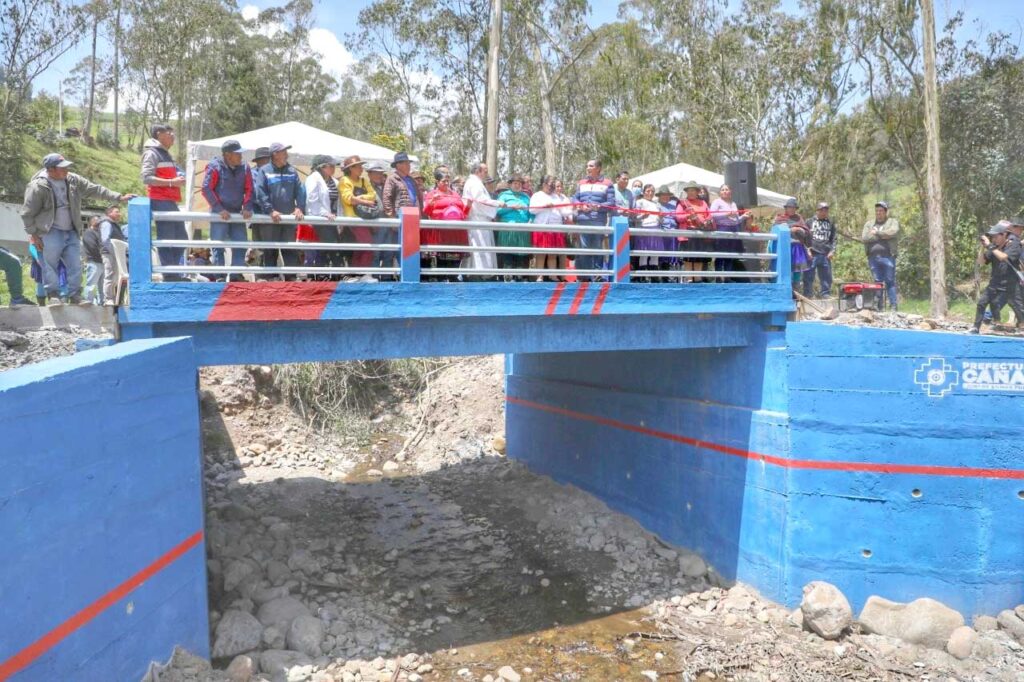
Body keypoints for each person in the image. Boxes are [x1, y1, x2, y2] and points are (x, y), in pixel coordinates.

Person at [21, 153, 132, 304]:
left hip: (71, 230)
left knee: (75, 264)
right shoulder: (38, 186)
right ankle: (53, 295)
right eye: (62, 168)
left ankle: (75, 296)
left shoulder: (72, 179)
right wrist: (34, 234)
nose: (66, 170)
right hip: (49, 231)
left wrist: (119, 197)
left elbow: (95, 189)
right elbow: (27, 213)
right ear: (51, 169)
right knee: (49, 264)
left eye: (67, 167)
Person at [201, 139, 253, 281]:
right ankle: (220, 276)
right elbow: (206, 189)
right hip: (220, 213)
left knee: (241, 243)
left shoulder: (245, 168)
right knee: (218, 244)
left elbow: (250, 189)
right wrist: (219, 209)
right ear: (228, 155)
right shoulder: (214, 166)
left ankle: (236, 274)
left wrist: (247, 207)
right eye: (238, 154)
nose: (241, 157)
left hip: (237, 212)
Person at [141, 123, 186, 280]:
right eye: (169, 132)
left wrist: (180, 175)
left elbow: (173, 173)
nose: (173, 136)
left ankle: (173, 272)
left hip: (170, 200)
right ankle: (170, 274)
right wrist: (172, 182)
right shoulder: (152, 153)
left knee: (181, 238)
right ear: (159, 134)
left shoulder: (166, 154)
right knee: (167, 238)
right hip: (160, 200)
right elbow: (146, 177)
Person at [256, 142, 306, 279]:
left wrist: (299, 207)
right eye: (284, 152)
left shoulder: (292, 171)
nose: (287, 154)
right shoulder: (264, 171)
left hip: (289, 218)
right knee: (270, 250)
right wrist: (270, 210)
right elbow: (260, 192)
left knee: (290, 249)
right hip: (271, 218)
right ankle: (271, 279)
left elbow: (300, 191)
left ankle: (291, 279)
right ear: (275, 154)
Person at [971, 223, 1021, 334]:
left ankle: (1020, 327)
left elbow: (1003, 257)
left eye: (995, 236)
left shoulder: (1013, 245)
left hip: (1010, 283)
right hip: (995, 282)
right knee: (982, 303)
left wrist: (990, 246)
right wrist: (982, 247)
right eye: (992, 237)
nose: (993, 239)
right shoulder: (993, 247)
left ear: (1004, 235)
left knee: (1017, 307)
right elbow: (982, 262)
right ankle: (976, 327)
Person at [338, 155, 380, 281]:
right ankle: (362, 273)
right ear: (351, 168)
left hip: (365, 219)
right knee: (368, 245)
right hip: (353, 219)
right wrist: (366, 201)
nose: (361, 168)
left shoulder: (363, 180)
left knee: (360, 248)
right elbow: (348, 199)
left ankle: (356, 274)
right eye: (359, 166)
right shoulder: (344, 180)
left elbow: (373, 195)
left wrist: (360, 199)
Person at [422, 168, 469, 279]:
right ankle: (442, 280)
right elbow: (426, 212)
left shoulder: (455, 194)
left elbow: (463, 213)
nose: (446, 183)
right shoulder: (431, 194)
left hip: (456, 232)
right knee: (442, 260)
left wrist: (469, 206)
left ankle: (453, 279)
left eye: (448, 181)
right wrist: (432, 201)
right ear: (437, 182)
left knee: (455, 259)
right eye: (444, 181)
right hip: (441, 232)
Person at [572, 159, 615, 278]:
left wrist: (599, 207)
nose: (588, 168)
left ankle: (597, 275)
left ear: (598, 168)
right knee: (584, 248)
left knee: (597, 247)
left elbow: (611, 203)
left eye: (590, 166)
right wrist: (580, 205)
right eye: (587, 166)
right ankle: (584, 276)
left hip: (598, 221)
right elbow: (574, 198)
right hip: (582, 220)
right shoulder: (581, 182)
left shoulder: (608, 183)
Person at [462, 162, 505, 275]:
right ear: (478, 171)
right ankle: (479, 273)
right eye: (485, 171)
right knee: (479, 246)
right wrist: (497, 203)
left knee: (482, 246)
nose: (486, 173)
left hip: (481, 219)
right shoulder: (474, 183)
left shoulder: (476, 182)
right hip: (477, 219)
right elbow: (480, 200)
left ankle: (481, 272)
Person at [304, 155, 343, 274]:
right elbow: (312, 200)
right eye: (330, 166)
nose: (333, 168)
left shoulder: (334, 181)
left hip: (333, 220)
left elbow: (338, 203)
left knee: (329, 248)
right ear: (322, 167)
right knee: (329, 247)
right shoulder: (313, 179)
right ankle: (326, 275)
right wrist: (325, 213)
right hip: (320, 219)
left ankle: (331, 275)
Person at [862, 200, 899, 310]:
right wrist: (883, 235)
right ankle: (879, 306)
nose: (878, 213)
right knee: (877, 282)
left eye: (881, 211)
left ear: (885, 212)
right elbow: (865, 238)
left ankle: (893, 306)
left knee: (890, 281)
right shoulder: (869, 224)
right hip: (873, 258)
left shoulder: (892, 222)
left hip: (888, 256)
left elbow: (893, 232)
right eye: (877, 211)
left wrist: (877, 233)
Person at [529, 175, 567, 280]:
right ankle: (539, 276)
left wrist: (575, 209)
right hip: (542, 227)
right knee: (541, 253)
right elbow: (532, 210)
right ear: (544, 184)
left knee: (553, 253)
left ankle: (553, 275)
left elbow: (564, 211)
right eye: (550, 185)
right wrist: (544, 206)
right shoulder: (537, 195)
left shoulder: (556, 197)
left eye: (553, 185)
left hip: (555, 228)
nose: (551, 187)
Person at [708, 184, 750, 277]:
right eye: (722, 190)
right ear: (720, 192)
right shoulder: (717, 202)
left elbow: (736, 220)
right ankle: (718, 277)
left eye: (727, 189)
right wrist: (726, 214)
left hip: (733, 229)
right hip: (722, 228)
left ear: (730, 191)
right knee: (720, 254)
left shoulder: (733, 203)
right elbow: (712, 214)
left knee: (731, 254)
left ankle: (727, 277)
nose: (725, 191)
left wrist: (743, 217)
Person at [496, 175, 532, 277]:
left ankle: (520, 278)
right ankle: (507, 277)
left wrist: (531, 221)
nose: (517, 186)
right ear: (510, 184)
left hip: (523, 230)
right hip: (508, 229)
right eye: (515, 183)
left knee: (521, 256)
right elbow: (498, 211)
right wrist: (512, 207)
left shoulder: (526, 197)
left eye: (519, 184)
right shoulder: (504, 196)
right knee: (508, 255)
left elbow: (532, 212)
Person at [675, 181, 712, 281]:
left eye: (693, 190)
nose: (691, 192)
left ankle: (698, 280)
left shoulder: (703, 203)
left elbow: (709, 215)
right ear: (687, 192)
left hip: (700, 234)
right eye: (689, 190)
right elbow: (678, 217)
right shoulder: (683, 204)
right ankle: (689, 280)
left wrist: (706, 221)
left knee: (699, 259)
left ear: (697, 192)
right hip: (688, 234)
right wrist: (688, 216)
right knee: (688, 260)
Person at [632, 184, 667, 279]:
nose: (650, 193)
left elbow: (661, 220)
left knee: (655, 254)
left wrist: (661, 217)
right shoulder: (639, 202)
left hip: (655, 229)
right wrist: (642, 216)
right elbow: (634, 218)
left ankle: (654, 277)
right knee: (644, 253)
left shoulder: (657, 204)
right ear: (643, 192)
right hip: (644, 229)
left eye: (652, 191)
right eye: (648, 191)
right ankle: (642, 277)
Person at [775, 198, 810, 291]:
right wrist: (790, 230)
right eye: (789, 207)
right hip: (785, 247)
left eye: (793, 207)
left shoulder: (799, 218)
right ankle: (786, 291)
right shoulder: (780, 218)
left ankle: (796, 293)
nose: (791, 209)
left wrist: (799, 229)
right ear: (786, 208)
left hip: (798, 247)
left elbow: (806, 231)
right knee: (787, 269)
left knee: (797, 271)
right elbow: (776, 230)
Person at [803, 202, 837, 298]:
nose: (824, 212)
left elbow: (834, 238)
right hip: (812, 253)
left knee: (826, 276)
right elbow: (804, 238)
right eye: (822, 210)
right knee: (808, 276)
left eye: (826, 210)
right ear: (817, 211)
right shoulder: (809, 222)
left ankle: (825, 294)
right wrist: (807, 250)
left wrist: (832, 251)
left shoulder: (830, 223)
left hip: (825, 254)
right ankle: (808, 294)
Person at [365, 161, 392, 272]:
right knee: (374, 253)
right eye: (376, 173)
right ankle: (375, 277)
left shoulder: (386, 187)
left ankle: (386, 278)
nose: (379, 175)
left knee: (389, 252)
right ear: (369, 174)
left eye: (380, 173)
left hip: (387, 224)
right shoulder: (365, 188)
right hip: (374, 225)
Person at [98, 205, 125, 305]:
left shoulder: (114, 224)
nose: (119, 214)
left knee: (116, 276)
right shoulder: (106, 223)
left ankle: (116, 299)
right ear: (110, 213)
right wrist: (114, 252)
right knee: (109, 275)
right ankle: (108, 299)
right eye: (117, 212)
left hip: (115, 254)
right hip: (109, 253)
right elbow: (105, 240)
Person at [382, 151, 421, 219]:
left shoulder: (412, 180)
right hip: (399, 217)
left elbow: (418, 196)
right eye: (406, 163)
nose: (409, 166)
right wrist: (391, 217)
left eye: (409, 163)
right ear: (398, 165)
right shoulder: (392, 179)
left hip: (414, 216)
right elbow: (386, 198)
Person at [82, 216, 104, 304]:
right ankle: (88, 302)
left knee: (102, 286)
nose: (98, 221)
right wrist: (102, 255)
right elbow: (92, 246)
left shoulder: (100, 233)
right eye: (96, 219)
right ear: (91, 222)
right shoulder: (89, 232)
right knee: (91, 285)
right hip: (94, 262)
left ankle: (102, 303)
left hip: (102, 263)